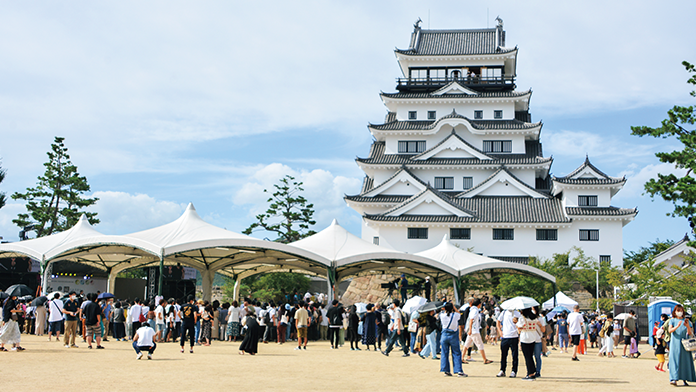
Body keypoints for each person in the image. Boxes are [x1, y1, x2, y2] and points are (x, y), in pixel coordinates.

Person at [667, 304, 696, 386]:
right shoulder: (672, 320)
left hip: (684, 343)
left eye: (681, 311)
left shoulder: (687, 321)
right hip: (675, 343)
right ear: (675, 312)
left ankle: (685, 379)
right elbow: (670, 330)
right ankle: (674, 379)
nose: (680, 312)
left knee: (685, 360)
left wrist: (687, 326)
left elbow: (690, 333)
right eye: (678, 311)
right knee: (674, 360)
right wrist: (677, 326)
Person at [462, 298, 493, 364]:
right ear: (479, 304)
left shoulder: (473, 310)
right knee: (480, 345)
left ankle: (461, 358)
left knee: (466, 345)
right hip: (474, 330)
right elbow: (471, 320)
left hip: (472, 330)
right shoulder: (475, 311)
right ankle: (485, 359)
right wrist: (470, 330)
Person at [439, 303, 465, 377]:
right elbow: (459, 314)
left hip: (444, 335)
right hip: (453, 335)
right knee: (456, 352)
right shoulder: (455, 315)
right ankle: (458, 370)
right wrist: (454, 307)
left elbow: (444, 313)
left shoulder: (442, 315)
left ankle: (445, 370)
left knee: (444, 353)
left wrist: (446, 308)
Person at [516, 307, 540, 381]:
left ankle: (530, 373)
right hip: (533, 337)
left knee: (527, 357)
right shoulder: (534, 317)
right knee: (530, 356)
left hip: (525, 338)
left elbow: (519, 326)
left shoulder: (522, 318)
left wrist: (516, 323)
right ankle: (532, 371)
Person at [497, 307, 520, 378]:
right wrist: (500, 331)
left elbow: (521, 323)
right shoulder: (504, 312)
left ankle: (514, 371)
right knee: (503, 354)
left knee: (514, 355)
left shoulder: (517, 313)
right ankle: (502, 370)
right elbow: (498, 321)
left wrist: (517, 323)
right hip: (505, 336)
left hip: (514, 336)